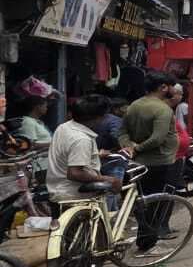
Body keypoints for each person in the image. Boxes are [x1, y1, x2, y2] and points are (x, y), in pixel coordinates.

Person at [119, 71, 180, 254]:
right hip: (159, 162)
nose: (173, 91)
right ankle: (149, 244)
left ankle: (144, 240)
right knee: (157, 204)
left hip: (138, 163)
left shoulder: (133, 106)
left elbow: (122, 132)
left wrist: (128, 147)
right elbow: (158, 138)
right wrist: (136, 148)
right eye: (171, 87)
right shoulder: (162, 109)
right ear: (163, 87)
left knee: (143, 204)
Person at [46, 94, 121, 202]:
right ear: (98, 118)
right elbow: (74, 173)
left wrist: (96, 155)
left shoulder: (64, 127)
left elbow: (68, 154)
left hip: (58, 191)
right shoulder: (81, 139)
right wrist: (108, 179)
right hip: (75, 196)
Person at [11, 94, 53, 177]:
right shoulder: (27, 122)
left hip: (46, 163)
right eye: (45, 106)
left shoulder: (38, 122)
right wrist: (53, 143)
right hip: (38, 165)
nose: (46, 108)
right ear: (37, 107)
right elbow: (30, 144)